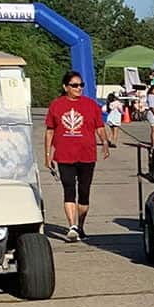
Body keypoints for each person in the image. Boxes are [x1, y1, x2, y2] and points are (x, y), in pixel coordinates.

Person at [45, 70, 109, 241]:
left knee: (84, 192)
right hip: (64, 155)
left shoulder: (91, 105)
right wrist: (47, 154)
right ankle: (72, 226)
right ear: (65, 87)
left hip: (87, 155)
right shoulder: (56, 105)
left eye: (81, 85)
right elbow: (50, 131)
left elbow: (99, 126)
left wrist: (104, 141)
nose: (78, 88)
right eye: (74, 85)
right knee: (69, 190)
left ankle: (80, 225)